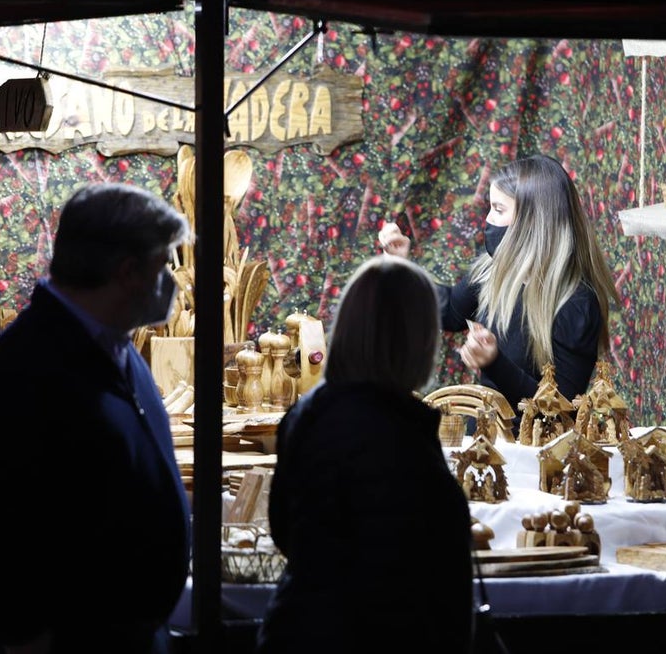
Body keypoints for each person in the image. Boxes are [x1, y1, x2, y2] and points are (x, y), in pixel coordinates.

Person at [0, 182, 192, 654]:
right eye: (163, 264)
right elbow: (0, 529)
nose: (172, 279)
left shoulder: (120, 350)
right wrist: (30, 638)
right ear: (128, 272)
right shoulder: (24, 365)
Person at [256, 255, 474, 654]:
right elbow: (422, 568)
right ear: (417, 339)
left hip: (297, 630)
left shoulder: (307, 415)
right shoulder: (396, 435)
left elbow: (285, 530)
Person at [378, 154, 618, 415]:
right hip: (486, 434)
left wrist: (494, 363)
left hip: (533, 450)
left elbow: (562, 409)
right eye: (490, 208)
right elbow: (449, 313)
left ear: (532, 223)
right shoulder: (491, 271)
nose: (489, 220)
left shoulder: (576, 303)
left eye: (499, 210)